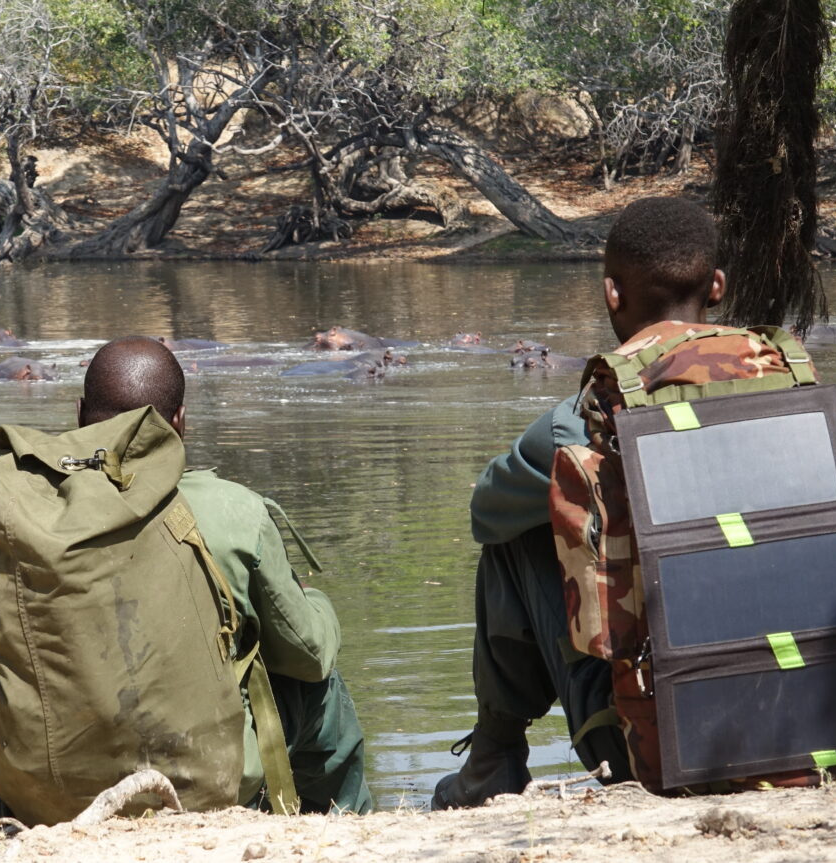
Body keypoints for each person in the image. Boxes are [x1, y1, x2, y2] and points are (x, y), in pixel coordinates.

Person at [433, 197, 736, 808]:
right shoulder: (798, 388)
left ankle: (493, 757)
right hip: (819, 724)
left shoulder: (584, 422)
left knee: (520, 526)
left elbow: (486, 512)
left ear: (611, 294)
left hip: (651, 750)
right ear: (717, 288)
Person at [77, 336, 374, 814]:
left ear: (78, 415)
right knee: (321, 689)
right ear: (180, 422)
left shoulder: (24, 516)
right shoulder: (234, 512)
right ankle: (344, 826)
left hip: (52, 780)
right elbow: (309, 656)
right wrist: (317, 604)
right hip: (202, 777)